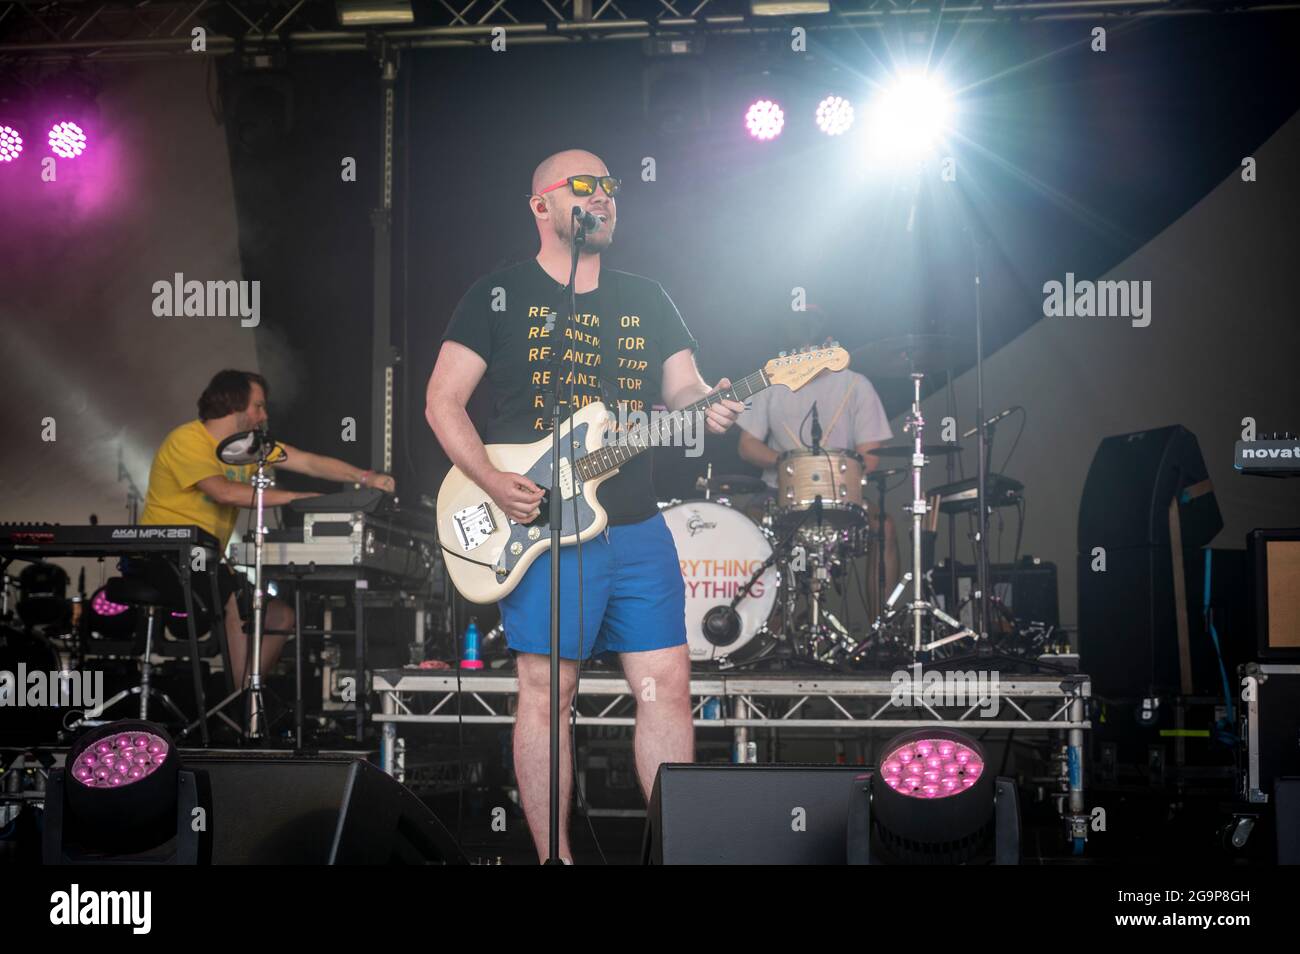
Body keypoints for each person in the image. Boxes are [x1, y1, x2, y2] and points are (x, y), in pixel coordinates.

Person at [425, 148, 744, 862]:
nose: (602, 196)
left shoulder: (647, 297)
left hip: (634, 521)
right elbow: (442, 402)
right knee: (546, 691)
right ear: (541, 206)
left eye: (610, 186)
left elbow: (683, 390)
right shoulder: (497, 294)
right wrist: (489, 481)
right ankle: (554, 860)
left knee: (666, 684)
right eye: (583, 186)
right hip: (540, 525)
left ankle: (678, 851)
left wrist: (710, 406)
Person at [137, 369, 395, 690]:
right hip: (163, 559)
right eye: (258, 406)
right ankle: (242, 707)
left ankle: (246, 701)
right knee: (231, 598)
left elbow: (308, 462)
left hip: (206, 564)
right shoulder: (187, 439)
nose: (264, 414)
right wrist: (296, 498)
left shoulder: (248, 448)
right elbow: (224, 492)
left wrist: (366, 477)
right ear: (233, 405)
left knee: (281, 617)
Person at [737, 307, 900, 602]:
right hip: (779, 491)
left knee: (884, 526)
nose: (805, 356)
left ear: (829, 345)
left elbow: (871, 455)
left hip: (841, 494)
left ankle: (881, 630)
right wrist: (787, 463)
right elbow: (747, 444)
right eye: (799, 350)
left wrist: (834, 473)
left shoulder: (856, 385)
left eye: (813, 349)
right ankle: (764, 633)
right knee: (748, 522)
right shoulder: (772, 383)